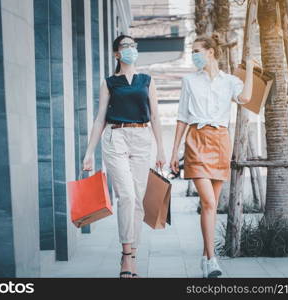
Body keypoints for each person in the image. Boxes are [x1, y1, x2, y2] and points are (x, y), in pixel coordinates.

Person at [170, 34, 256, 278]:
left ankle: (206, 257)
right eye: (193, 51)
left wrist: (249, 69)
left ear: (210, 52)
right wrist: (174, 152)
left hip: (220, 141)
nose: (194, 55)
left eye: (197, 50)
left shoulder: (229, 81)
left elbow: (245, 99)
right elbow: (182, 117)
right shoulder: (189, 81)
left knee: (212, 205)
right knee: (207, 201)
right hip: (196, 139)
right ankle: (211, 259)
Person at [82, 34, 166, 278]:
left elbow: (156, 117)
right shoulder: (109, 83)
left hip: (141, 138)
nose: (131, 49)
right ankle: (126, 256)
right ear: (117, 54)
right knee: (127, 196)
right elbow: (99, 118)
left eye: (133, 45)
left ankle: (133, 254)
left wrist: (161, 148)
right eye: (125, 46)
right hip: (115, 136)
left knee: (138, 199)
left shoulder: (147, 81)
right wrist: (89, 152)